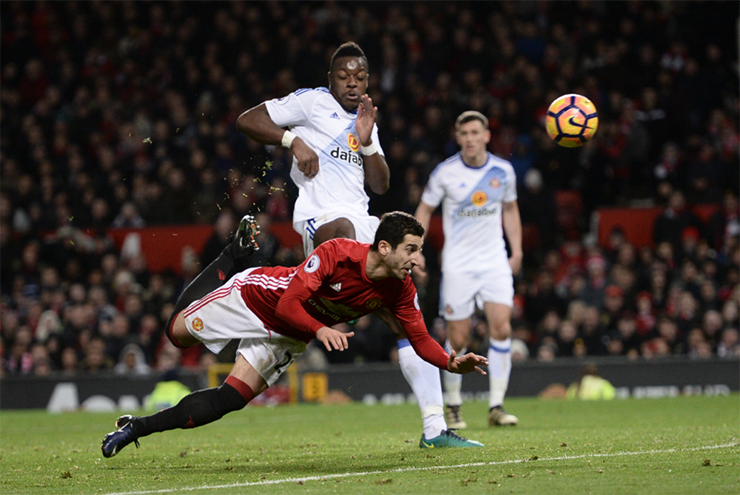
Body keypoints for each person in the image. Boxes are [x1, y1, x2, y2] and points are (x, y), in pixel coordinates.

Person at [101, 212, 487, 458]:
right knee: (175, 334)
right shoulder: (338, 253)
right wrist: (320, 329)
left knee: (230, 399)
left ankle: (139, 426)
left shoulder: (401, 288)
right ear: (384, 247)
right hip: (257, 299)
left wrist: (451, 363)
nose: (416, 259)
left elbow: (419, 339)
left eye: (418, 250)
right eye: (410, 250)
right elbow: (288, 305)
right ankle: (230, 258)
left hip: (288, 336)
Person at [236, 42, 466, 446]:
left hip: (364, 221)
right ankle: (348, 300)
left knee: (406, 314)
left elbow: (380, 185)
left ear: (368, 81)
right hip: (319, 218)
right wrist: (293, 142)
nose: (352, 84)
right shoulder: (310, 103)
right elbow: (247, 120)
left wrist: (369, 141)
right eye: (344, 77)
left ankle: (435, 427)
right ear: (330, 79)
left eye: (359, 77)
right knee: (341, 227)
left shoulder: (366, 120)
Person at [415, 110, 522, 429]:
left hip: (494, 261)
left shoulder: (503, 171)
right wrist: (415, 248)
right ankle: (454, 405)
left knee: (501, 328)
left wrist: (516, 251)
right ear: (458, 137)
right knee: (458, 338)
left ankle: (496, 406)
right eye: (465, 134)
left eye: (476, 132)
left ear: (487, 136)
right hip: (458, 265)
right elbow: (424, 208)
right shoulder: (445, 173)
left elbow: (511, 208)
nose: (471, 139)